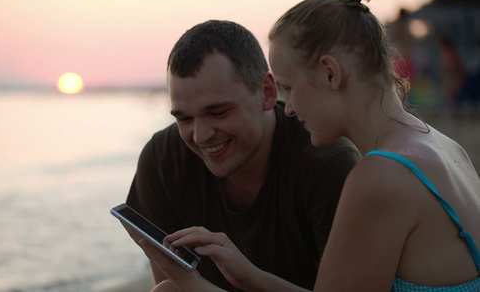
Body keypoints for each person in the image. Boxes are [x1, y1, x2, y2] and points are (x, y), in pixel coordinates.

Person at [136, 0, 480, 291]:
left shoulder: (379, 176)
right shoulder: (445, 147)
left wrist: (191, 284)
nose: (290, 107)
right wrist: (250, 277)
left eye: (289, 87)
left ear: (330, 74)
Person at [123, 19, 361, 291]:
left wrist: (250, 278)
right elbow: (173, 283)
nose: (200, 136)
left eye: (218, 112)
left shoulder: (327, 164)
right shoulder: (162, 160)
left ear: (267, 93)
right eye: (185, 118)